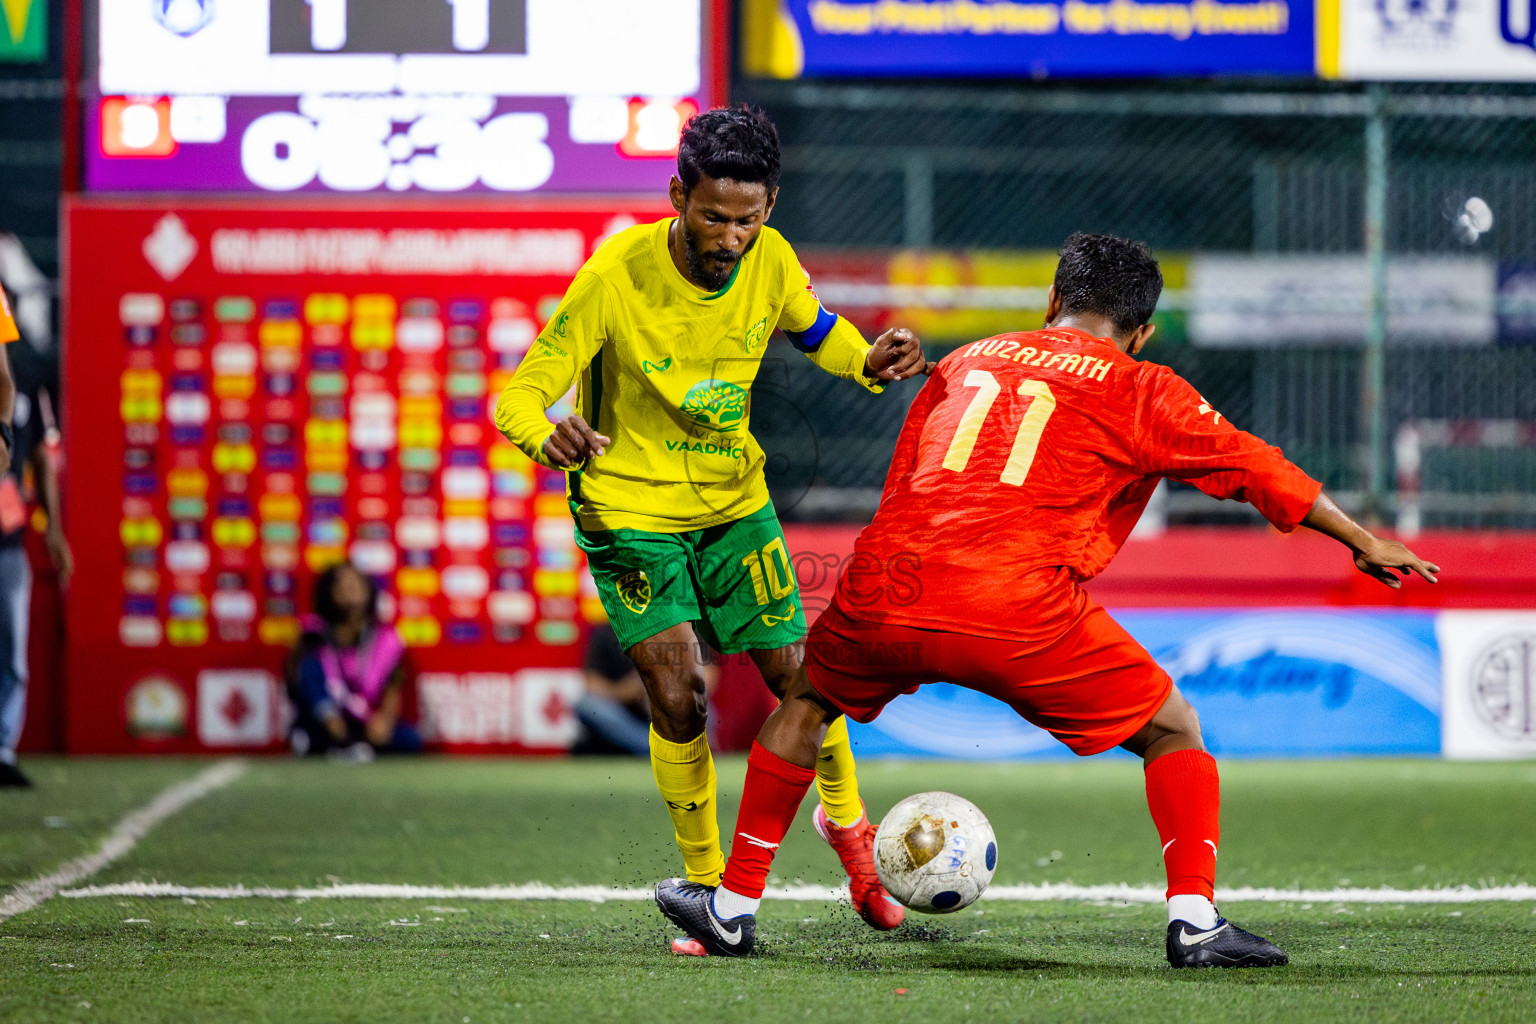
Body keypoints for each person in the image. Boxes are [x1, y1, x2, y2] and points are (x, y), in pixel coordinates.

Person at [656, 233, 1440, 966]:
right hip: (1016, 606)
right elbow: (1253, 466)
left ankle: (732, 906)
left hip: (889, 587)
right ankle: (1194, 920)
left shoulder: (964, 360)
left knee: (803, 704)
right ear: (1140, 331)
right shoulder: (1139, 383)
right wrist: (1359, 538)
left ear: (1052, 303)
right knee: (1174, 729)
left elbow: (906, 486)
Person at [495, 104, 931, 947]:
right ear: (676, 197)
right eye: (712, 216)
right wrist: (546, 433)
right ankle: (705, 887)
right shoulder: (613, 275)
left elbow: (816, 332)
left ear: (769, 205)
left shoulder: (770, 258)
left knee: (803, 676)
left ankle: (855, 847)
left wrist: (865, 361)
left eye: (749, 216)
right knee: (678, 693)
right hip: (626, 503)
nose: (730, 236)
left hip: (733, 502)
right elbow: (518, 393)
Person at [287, 563, 420, 761]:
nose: (351, 588)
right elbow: (299, 682)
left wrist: (384, 722)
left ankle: (344, 746)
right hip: (324, 719)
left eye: (357, 582)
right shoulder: (314, 634)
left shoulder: (386, 639)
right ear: (329, 592)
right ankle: (338, 741)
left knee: (410, 740)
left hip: (362, 721)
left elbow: (394, 686)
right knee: (310, 667)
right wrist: (332, 721)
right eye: (343, 584)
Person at [0, 287, 52, 789]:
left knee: (11, 648)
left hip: (7, 530)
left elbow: (39, 455)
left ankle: (2, 747)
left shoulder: (26, 374)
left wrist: (53, 526)